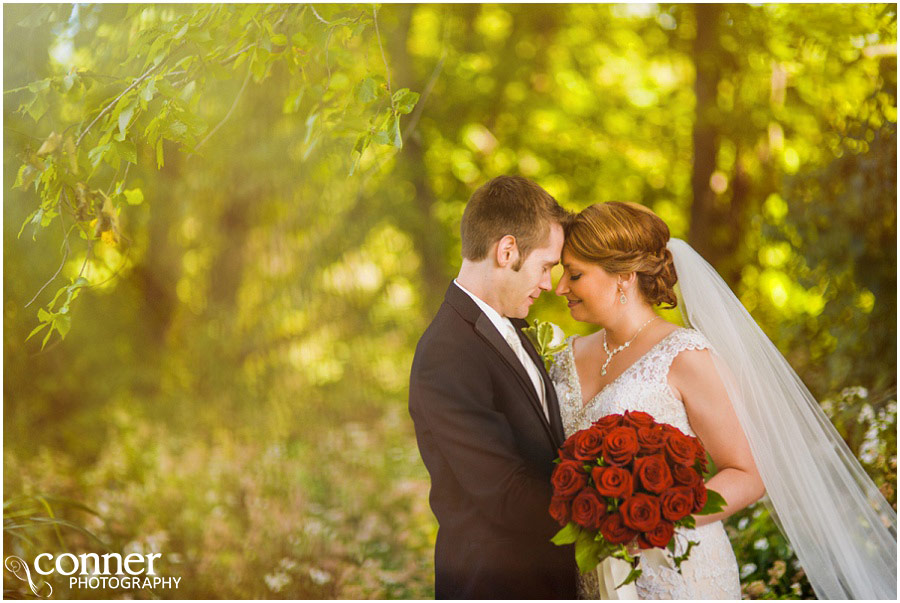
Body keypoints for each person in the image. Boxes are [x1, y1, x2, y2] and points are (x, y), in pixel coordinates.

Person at [550, 201, 897, 599]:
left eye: (574, 274)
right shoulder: (563, 357)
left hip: (676, 574)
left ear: (624, 277)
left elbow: (747, 473)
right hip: (591, 574)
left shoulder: (685, 356)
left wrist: (658, 522)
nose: (560, 287)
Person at [408, 175, 577, 599]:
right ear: (507, 251)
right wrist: (612, 519)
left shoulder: (509, 326)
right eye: (546, 266)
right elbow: (504, 491)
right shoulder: (446, 351)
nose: (548, 284)